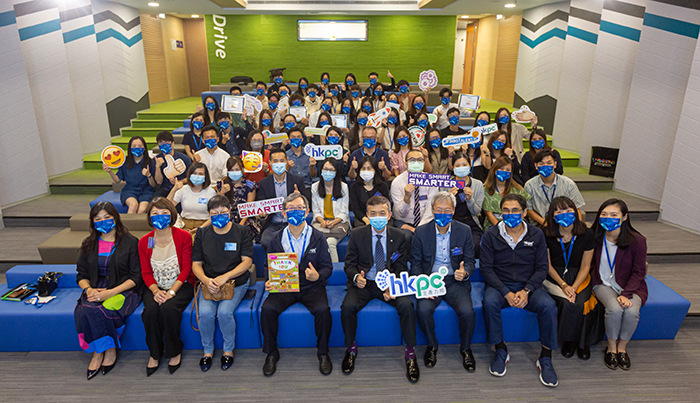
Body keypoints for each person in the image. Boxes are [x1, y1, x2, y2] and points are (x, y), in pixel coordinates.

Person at [479, 193, 559, 387]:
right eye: (505, 210)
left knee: (549, 306)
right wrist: (506, 292)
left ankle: (546, 358)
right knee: (489, 303)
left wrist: (527, 290)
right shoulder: (491, 234)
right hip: (500, 286)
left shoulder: (536, 234)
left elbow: (542, 268)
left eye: (515, 210)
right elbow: (486, 269)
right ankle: (500, 350)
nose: (510, 214)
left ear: (524, 212)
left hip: (529, 287)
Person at [340, 195, 419, 383]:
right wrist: (355, 277)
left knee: (407, 305)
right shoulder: (358, 234)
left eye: (382, 213)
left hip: (390, 283)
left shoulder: (399, 236)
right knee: (347, 308)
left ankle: (410, 353)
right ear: (367, 215)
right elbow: (349, 264)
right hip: (364, 283)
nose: (377, 217)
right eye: (373, 213)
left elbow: (400, 265)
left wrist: (394, 284)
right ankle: (350, 348)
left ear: (390, 215)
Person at [261, 193, 333, 376]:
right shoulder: (276, 239)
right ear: (284, 213)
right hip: (285, 286)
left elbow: (327, 267)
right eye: (290, 209)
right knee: (267, 309)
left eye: (299, 209)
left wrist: (317, 276)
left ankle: (323, 352)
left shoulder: (318, 237)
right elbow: (266, 266)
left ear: (307, 211)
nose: (295, 212)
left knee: (323, 311)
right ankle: (271, 352)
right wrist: (269, 280)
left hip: (311, 287)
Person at [75, 202, 141, 380]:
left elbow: (135, 277)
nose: (103, 222)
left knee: (102, 310)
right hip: (95, 287)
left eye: (107, 217)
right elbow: (81, 274)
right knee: (86, 309)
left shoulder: (130, 242)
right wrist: (88, 289)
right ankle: (99, 351)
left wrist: (110, 293)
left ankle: (108, 350)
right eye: (98, 219)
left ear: (115, 218)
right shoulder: (88, 244)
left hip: (122, 290)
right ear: (92, 222)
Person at [411, 192, 476, 372]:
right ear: (432, 210)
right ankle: (432, 346)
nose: (443, 213)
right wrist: (423, 285)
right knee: (423, 310)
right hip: (430, 280)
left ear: (453, 211)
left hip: (455, 280)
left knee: (467, 312)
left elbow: (470, 261)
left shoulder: (464, 230)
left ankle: (466, 349)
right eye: (438, 210)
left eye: (447, 210)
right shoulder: (421, 232)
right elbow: (415, 263)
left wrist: (465, 273)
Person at [192, 195, 253, 372]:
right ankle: (208, 351)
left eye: (223, 212)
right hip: (209, 284)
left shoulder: (241, 231)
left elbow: (247, 262)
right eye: (214, 213)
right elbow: (195, 265)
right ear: (209, 215)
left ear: (230, 212)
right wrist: (206, 280)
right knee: (205, 314)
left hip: (236, 281)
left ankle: (228, 350)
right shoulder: (202, 234)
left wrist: (225, 277)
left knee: (225, 313)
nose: (219, 216)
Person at [138, 197, 196, 376]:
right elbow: (146, 272)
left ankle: (174, 351)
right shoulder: (145, 241)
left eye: (164, 213)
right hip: (154, 285)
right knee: (150, 312)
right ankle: (154, 354)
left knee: (169, 309)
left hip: (181, 284)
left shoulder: (183, 236)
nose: (160, 217)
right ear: (149, 217)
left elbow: (187, 268)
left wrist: (171, 292)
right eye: (155, 213)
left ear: (172, 215)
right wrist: (156, 291)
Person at [590, 199, 648, 371]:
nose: (608, 218)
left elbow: (639, 272)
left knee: (631, 311)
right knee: (614, 309)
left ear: (624, 217)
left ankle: (622, 348)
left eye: (614, 215)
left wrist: (626, 293)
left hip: (630, 285)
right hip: (602, 283)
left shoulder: (637, 241)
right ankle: (611, 347)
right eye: (604, 214)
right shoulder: (594, 236)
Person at [542, 196, 602, 361]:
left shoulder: (587, 234)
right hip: (554, 276)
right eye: (559, 211)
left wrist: (573, 287)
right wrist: (563, 285)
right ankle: (569, 341)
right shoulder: (545, 233)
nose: (565, 215)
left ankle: (582, 343)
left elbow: (585, 266)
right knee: (567, 302)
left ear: (575, 212)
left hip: (578, 276)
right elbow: (547, 266)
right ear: (552, 216)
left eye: (568, 211)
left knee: (583, 303)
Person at [257, 148, 309, 250]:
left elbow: (307, 205)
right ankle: (277, 265)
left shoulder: (297, 181)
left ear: (286, 161)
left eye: (282, 160)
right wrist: (263, 214)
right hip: (273, 223)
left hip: (293, 222)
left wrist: (299, 198)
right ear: (271, 163)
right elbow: (262, 206)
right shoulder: (264, 183)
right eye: (275, 161)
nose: (279, 164)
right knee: (266, 241)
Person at [524, 150, 585, 226]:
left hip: (564, 224)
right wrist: (545, 224)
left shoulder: (568, 184)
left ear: (555, 164)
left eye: (549, 163)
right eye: (541, 163)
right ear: (536, 166)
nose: (545, 166)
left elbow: (576, 208)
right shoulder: (529, 185)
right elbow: (529, 210)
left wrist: (577, 227)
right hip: (541, 225)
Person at [390, 149, 438, 241]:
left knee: (428, 236)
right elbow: (401, 213)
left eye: (420, 160)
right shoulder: (397, 182)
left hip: (425, 221)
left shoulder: (431, 181)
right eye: (412, 160)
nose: (416, 162)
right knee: (406, 236)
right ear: (406, 163)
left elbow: (430, 209)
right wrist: (406, 198)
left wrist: (418, 229)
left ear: (424, 163)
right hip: (403, 221)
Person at [311, 158, 350, 262]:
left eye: (331, 170)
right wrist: (323, 222)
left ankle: (333, 272)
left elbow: (344, 212)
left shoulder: (343, 187)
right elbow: (316, 211)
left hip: (338, 222)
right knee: (321, 240)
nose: (328, 172)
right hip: (321, 222)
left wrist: (333, 223)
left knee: (330, 243)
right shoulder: (315, 187)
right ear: (321, 170)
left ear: (336, 172)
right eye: (325, 169)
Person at [446, 153, 485, 257]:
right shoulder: (446, 184)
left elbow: (477, 211)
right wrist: (449, 197)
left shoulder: (478, 184)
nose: (461, 168)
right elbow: (442, 210)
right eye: (457, 165)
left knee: (474, 245)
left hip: (471, 224)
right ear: (453, 168)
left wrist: (470, 199)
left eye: (464, 164)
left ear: (470, 165)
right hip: (451, 223)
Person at [103, 136, 153, 214]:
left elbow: (153, 184)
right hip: (130, 191)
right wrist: (110, 171)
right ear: (130, 148)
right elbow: (117, 180)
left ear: (144, 148)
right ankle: (128, 226)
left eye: (139, 146)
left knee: (142, 210)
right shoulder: (125, 162)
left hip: (146, 191)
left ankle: (136, 226)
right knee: (133, 205)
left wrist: (148, 175)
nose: (137, 148)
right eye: (134, 146)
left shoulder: (150, 162)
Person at [482, 156, 531, 230]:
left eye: (507, 170)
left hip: (516, 225)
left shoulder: (518, 189)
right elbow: (489, 215)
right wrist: (502, 230)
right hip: (494, 227)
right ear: (495, 170)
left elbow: (523, 210)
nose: (504, 171)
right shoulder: (485, 189)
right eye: (501, 169)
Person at [168, 162, 217, 235]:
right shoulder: (183, 190)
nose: (197, 176)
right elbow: (166, 207)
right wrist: (174, 189)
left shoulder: (211, 192)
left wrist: (200, 228)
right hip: (184, 225)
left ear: (205, 176)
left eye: (200, 174)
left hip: (204, 226)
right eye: (194, 173)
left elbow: (214, 215)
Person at [222, 156, 261, 243]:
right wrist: (222, 192)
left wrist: (241, 225)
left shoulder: (250, 185)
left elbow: (249, 207)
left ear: (242, 169)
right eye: (231, 170)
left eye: (237, 169)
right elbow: (218, 205)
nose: (234, 172)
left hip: (245, 219)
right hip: (227, 219)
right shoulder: (224, 184)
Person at [349, 155, 391, 227]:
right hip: (362, 219)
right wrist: (366, 220)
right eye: (363, 168)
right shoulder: (354, 187)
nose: (366, 171)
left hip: (380, 218)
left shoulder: (382, 186)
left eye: (369, 168)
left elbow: (386, 205)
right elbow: (356, 208)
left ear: (375, 171)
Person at [151, 131, 192, 199]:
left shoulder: (185, 158)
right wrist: (157, 167)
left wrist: (179, 182)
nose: (164, 145)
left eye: (167, 142)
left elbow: (190, 178)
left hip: (181, 188)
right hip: (164, 189)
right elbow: (158, 182)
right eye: (161, 143)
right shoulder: (156, 160)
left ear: (172, 143)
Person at [286, 126, 317, 192]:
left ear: (302, 139)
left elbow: (314, 175)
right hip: (291, 187)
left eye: (298, 137)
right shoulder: (286, 156)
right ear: (289, 140)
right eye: (293, 137)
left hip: (307, 187)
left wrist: (311, 166)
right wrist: (287, 167)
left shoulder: (309, 154)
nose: (296, 139)